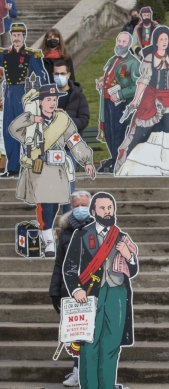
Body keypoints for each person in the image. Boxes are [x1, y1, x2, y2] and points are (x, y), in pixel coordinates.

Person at [9, 84, 96, 257]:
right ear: (41, 102)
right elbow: (13, 129)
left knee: (61, 205)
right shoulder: (31, 121)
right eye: (48, 99)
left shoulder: (62, 119)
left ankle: (66, 238)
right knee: (45, 207)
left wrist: (86, 160)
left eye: (54, 99)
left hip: (58, 170)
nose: (52, 103)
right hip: (39, 170)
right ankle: (48, 241)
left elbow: (74, 140)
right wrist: (31, 119)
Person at [63, 192, 138, 389]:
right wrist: (76, 289)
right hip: (90, 296)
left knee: (112, 345)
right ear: (94, 211)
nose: (107, 212)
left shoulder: (122, 237)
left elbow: (133, 270)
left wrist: (128, 256)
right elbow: (69, 267)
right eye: (103, 208)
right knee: (90, 346)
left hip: (117, 294)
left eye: (110, 208)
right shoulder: (82, 234)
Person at [115, 27, 169, 176]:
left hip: (168, 99)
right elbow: (143, 81)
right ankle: (138, 166)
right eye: (161, 39)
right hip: (151, 98)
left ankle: (167, 166)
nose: (164, 42)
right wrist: (136, 100)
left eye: (166, 39)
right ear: (156, 41)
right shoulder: (150, 59)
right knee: (143, 133)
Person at [49, 190, 93, 388]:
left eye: (85, 204)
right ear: (71, 207)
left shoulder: (101, 228)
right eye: (77, 206)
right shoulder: (65, 230)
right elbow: (59, 263)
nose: (81, 209)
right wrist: (54, 290)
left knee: (94, 333)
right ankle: (77, 370)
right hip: (71, 290)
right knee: (76, 332)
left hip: (94, 289)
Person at [0, 23, 48, 178]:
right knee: (8, 130)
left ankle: (26, 163)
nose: (16, 38)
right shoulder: (5, 54)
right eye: (14, 35)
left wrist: (43, 95)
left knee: (24, 128)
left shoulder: (30, 55)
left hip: (22, 92)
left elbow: (42, 75)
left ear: (24, 37)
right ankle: (12, 167)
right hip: (8, 92)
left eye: (19, 35)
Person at [96, 32, 140, 173]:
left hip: (121, 105)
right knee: (109, 133)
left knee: (118, 134)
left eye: (123, 42)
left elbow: (138, 85)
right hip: (107, 103)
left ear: (128, 44)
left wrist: (120, 94)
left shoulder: (133, 63)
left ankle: (118, 163)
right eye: (118, 40)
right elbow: (109, 77)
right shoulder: (113, 59)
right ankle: (115, 160)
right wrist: (102, 83)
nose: (119, 43)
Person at [54, 60, 90, 213]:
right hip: (50, 147)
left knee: (68, 183)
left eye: (62, 73)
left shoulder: (78, 96)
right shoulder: (48, 95)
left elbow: (84, 120)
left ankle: (68, 219)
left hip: (70, 147)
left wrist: (65, 118)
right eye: (56, 74)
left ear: (68, 74)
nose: (59, 76)